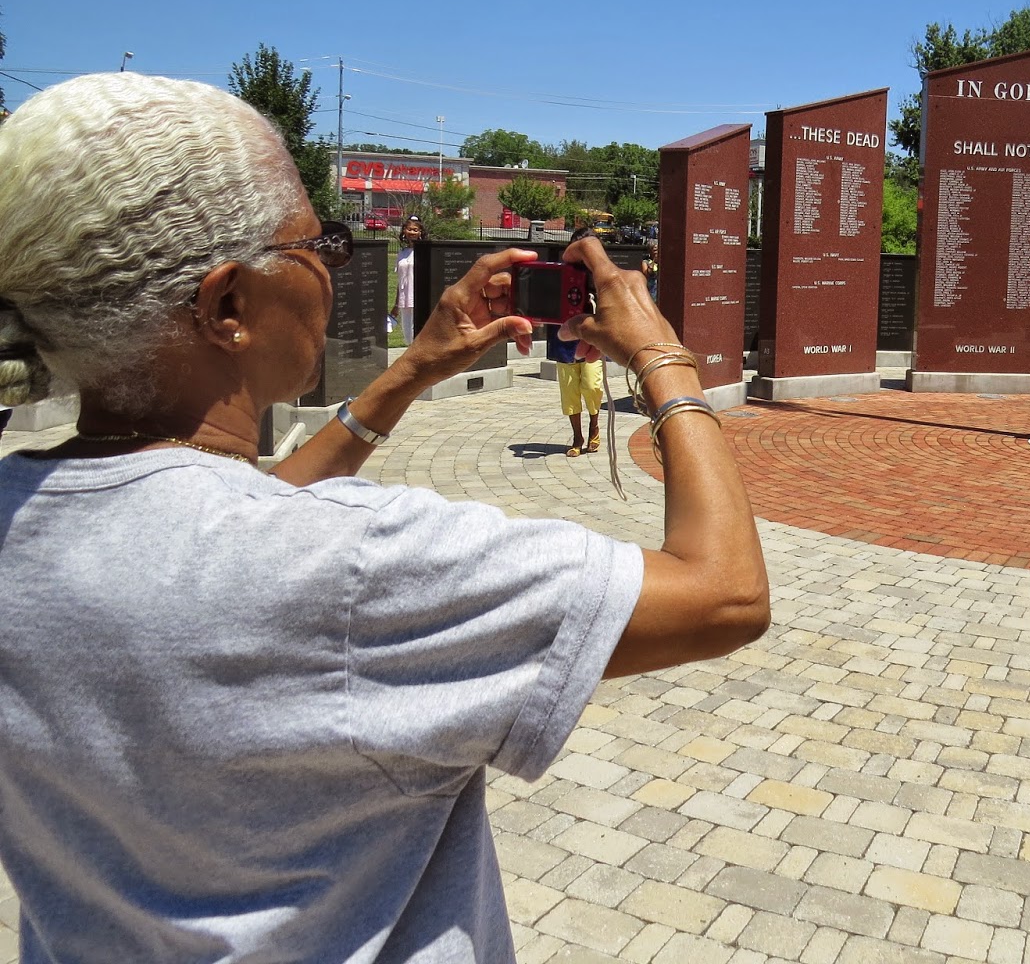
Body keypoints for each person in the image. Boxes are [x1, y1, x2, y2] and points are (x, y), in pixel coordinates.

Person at [0, 73, 767, 962]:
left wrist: (411, 371)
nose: (331, 265)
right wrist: (663, 357)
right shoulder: (356, 561)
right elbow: (725, 594)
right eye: (316, 242)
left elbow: (217, 529)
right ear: (226, 307)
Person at [546, 322, 603, 455]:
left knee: (592, 386)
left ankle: (593, 427)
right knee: (569, 391)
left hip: (591, 338)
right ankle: (577, 437)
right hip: (564, 342)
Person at [389, 213, 424, 343]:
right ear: (404, 231)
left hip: (420, 299)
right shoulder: (402, 253)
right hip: (405, 300)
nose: (412, 232)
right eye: (409, 229)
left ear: (420, 232)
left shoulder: (424, 252)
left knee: (420, 336)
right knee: (408, 336)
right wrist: (396, 304)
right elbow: (400, 280)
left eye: (415, 230)